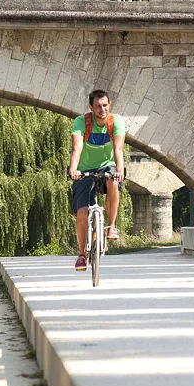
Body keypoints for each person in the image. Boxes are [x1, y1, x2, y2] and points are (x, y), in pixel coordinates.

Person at [68, 89, 125, 271]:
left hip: (107, 165)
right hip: (84, 169)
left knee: (113, 181)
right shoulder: (81, 122)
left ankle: (111, 226)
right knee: (82, 212)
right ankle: (82, 254)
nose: (102, 109)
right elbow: (76, 148)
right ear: (91, 107)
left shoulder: (116, 122)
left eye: (105, 105)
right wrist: (73, 169)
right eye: (98, 106)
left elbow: (118, 149)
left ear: (110, 105)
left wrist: (120, 170)